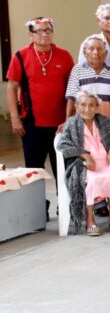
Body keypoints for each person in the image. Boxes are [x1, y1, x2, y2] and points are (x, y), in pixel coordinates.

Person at [7, 17, 74, 190]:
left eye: (48, 30)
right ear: (31, 35)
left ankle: (66, 206)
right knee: (34, 168)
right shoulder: (20, 56)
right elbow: (12, 88)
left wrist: (69, 119)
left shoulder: (64, 56)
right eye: (39, 31)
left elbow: (73, 89)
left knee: (63, 166)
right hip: (32, 123)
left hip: (60, 124)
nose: (44, 34)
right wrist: (15, 118)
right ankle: (39, 207)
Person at [57, 91, 110, 236]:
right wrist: (85, 155)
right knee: (91, 180)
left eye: (91, 105)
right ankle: (90, 220)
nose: (87, 109)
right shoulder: (72, 123)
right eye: (83, 105)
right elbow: (63, 144)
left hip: (106, 163)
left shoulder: (102, 121)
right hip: (85, 165)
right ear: (77, 107)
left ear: (97, 107)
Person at [65, 35, 110, 119]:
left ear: (105, 53)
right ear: (85, 53)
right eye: (91, 49)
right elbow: (71, 98)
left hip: (108, 123)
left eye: (99, 49)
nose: (96, 52)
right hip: (83, 123)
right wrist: (68, 121)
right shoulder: (77, 69)